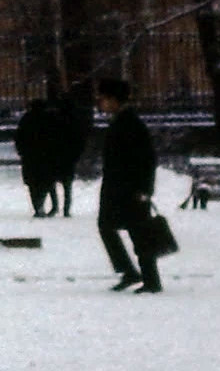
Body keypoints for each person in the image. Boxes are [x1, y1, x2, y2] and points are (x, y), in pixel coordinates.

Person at [96, 78, 162, 294]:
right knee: (108, 226)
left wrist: (144, 190)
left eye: (104, 99)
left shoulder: (131, 123)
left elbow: (146, 159)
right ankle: (129, 271)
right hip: (118, 187)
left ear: (114, 99)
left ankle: (150, 280)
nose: (100, 103)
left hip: (130, 189)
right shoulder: (120, 121)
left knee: (139, 232)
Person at [48, 91, 89, 219]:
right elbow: (79, 138)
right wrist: (76, 154)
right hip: (69, 155)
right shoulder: (75, 119)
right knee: (67, 185)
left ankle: (55, 206)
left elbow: (50, 135)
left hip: (56, 153)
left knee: (52, 182)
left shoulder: (54, 118)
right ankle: (66, 209)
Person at [15, 99, 58, 217]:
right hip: (46, 156)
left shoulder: (26, 119)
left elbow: (19, 137)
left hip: (30, 156)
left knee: (33, 184)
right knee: (47, 182)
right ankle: (52, 205)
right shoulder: (50, 119)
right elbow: (56, 137)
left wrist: (21, 151)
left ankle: (38, 206)